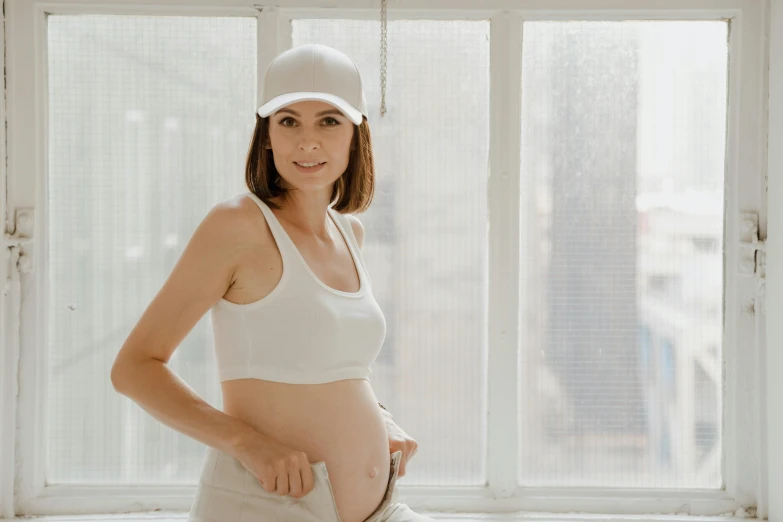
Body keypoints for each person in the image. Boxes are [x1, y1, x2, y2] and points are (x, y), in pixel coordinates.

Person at [110, 44, 436, 522]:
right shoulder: (238, 226)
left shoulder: (350, 232)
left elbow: (333, 367)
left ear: (355, 134)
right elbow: (134, 368)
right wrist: (250, 444)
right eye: (288, 122)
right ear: (266, 137)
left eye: (328, 121)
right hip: (272, 506)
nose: (308, 142)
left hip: (378, 510)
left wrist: (378, 419)